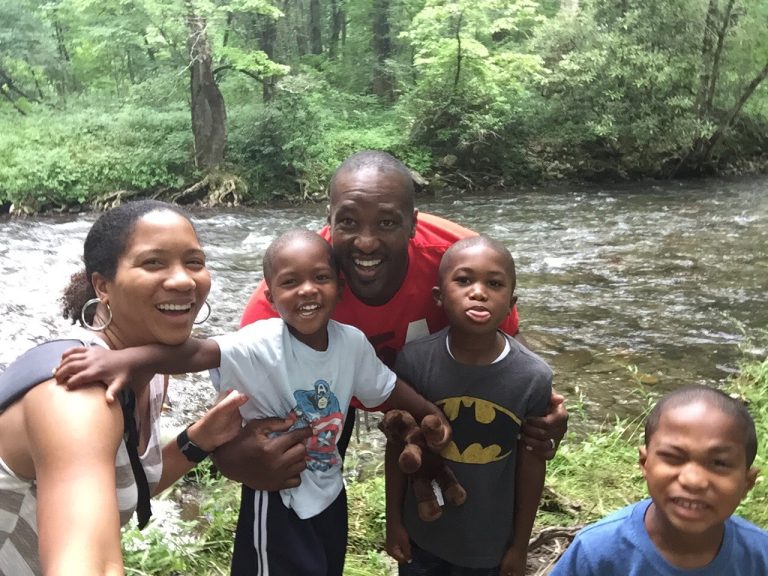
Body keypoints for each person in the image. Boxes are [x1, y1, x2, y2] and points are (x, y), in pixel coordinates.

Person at [54, 229, 452, 576]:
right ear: (271, 293)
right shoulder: (260, 342)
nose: (308, 290)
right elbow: (195, 353)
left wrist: (429, 413)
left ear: (340, 287)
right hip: (277, 497)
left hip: (330, 491)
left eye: (321, 278)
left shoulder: (351, 344)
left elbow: (386, 388)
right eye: (290, 282)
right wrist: (121, 359)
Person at [228, 149, 568, 485]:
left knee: (458, 462)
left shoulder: (461, 263)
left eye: (387, 223)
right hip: (325, 393)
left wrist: (539, 405)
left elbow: (508, 339)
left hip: (427, 394)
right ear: (329, 221)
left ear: (413, 225)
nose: (365, 243)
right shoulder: (298, 287)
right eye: (347, 222)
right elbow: (237, 394)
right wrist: (236, 460)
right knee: (302, 478)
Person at [0, 200, 247, 576]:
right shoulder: (77, 396)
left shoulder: (150, 367)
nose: (183, 280)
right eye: (153, 263)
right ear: (103, 286)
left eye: (194, 262)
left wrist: (200, 439)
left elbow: (119, 485)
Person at [385, 235, 553, 576]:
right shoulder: (416, 361)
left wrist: (519, 546)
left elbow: (532, 464)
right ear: (439, 297)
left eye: (494, 283)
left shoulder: (532, 376)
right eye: (464, 281)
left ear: (511, 302)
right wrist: (394, 522)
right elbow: (398, 448)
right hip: (423, 535)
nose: (479, 292)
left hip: (489, 544)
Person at [550, 384, 768, 575]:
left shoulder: (760, 556)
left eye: (719, 463)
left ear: (746, 483)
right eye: (674, 457)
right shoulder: (596, 551)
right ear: (645, 463)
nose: (693, 480)